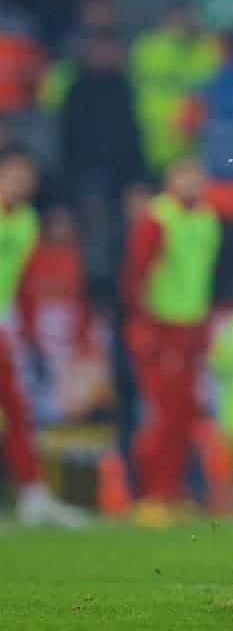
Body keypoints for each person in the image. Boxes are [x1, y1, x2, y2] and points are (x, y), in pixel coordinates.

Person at [120, 158, 221, 525]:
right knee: (160, 413)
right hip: (160, 325)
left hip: (190, 327)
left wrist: (204, 326)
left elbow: (205, 276)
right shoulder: (157, 218)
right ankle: (150, 494)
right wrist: (141, 325)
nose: (191, 183)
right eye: (184, 175)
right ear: (170, 180)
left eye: (197, 175)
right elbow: (136, 275)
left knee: (184, 413)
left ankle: (172, 490)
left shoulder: (208, 219)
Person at [0, 145, 88, 527]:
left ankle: (34, 496)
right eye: (14, 174)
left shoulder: (25, 222)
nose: (21, 182)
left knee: (18, 410)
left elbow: (21, 285)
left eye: (26, 177)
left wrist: (29, 334)